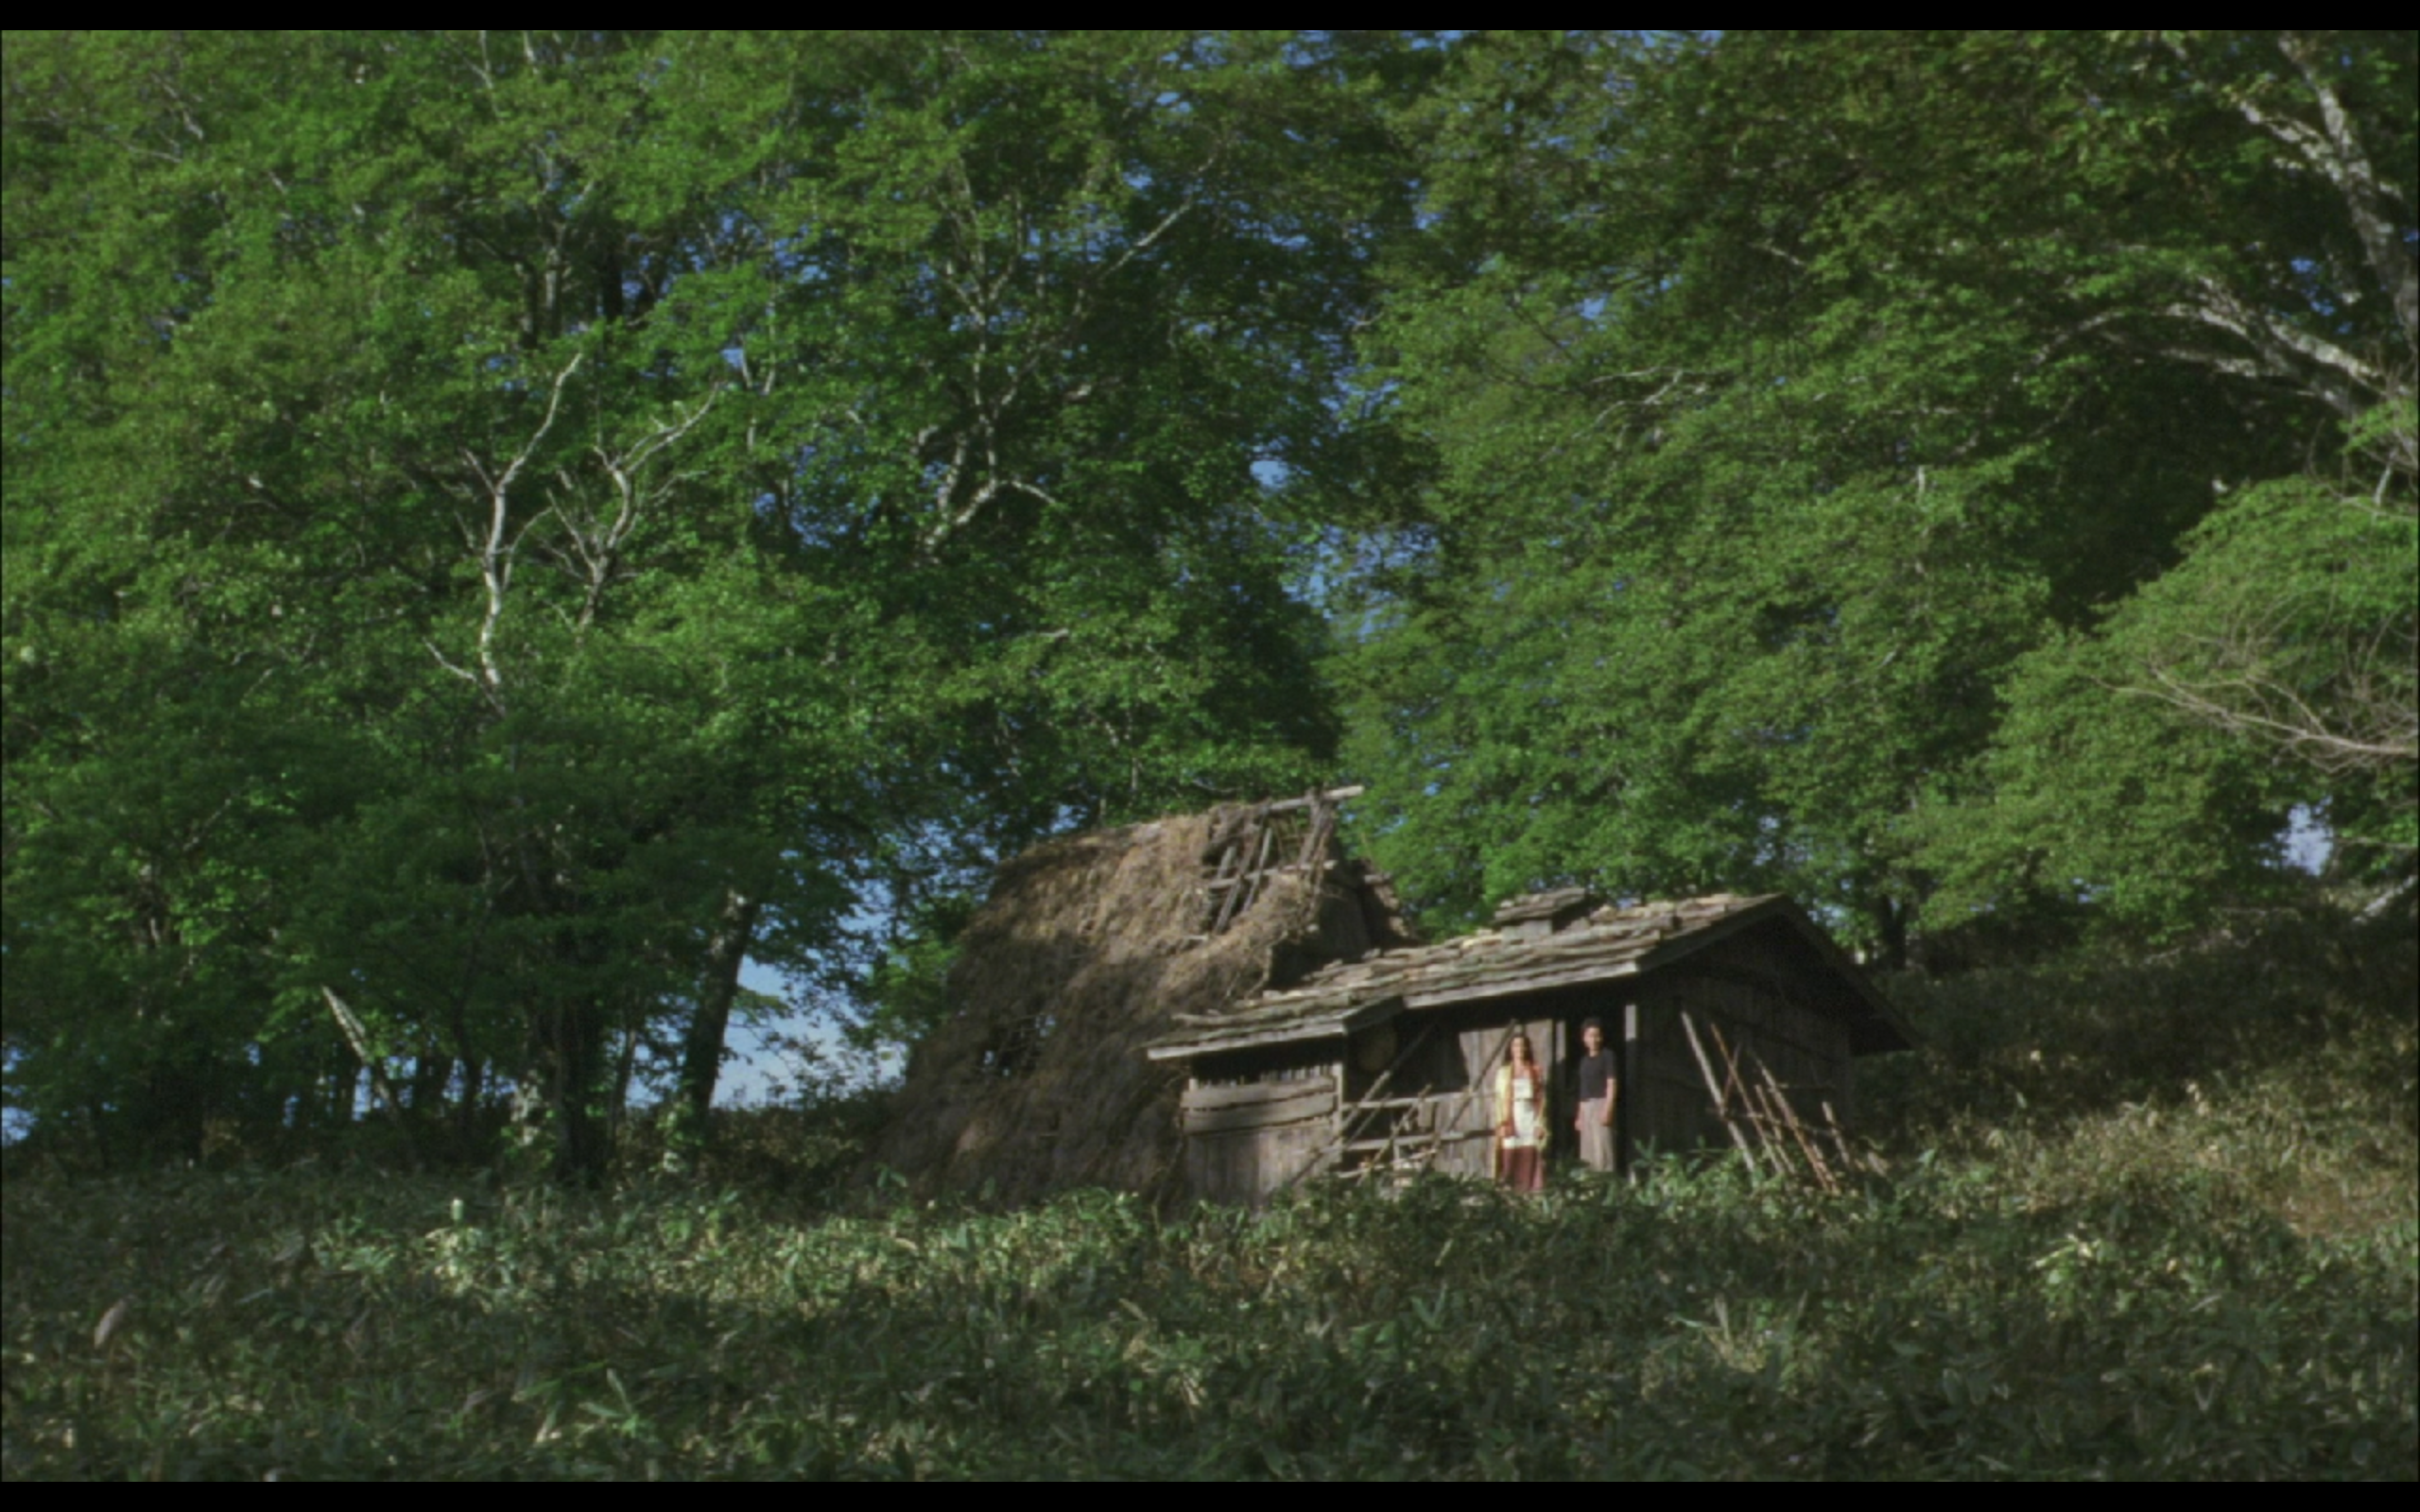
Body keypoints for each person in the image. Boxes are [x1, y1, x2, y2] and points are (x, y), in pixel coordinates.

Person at [1494, 1032, 1548, 1193]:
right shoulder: (1503, 1073)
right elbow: (1498, 1101)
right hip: (1511, 1116)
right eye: (1516, 1045)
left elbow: (1542, 1099)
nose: (1520, 1049)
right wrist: (1502, 1123)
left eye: (1523, 1045)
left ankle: (1530, 1193)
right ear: (1510, 1049)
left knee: (1529, 1154)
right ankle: (1510, 1194)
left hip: (1529, 1114)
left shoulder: (1535, 1070)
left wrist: (1540, 1123)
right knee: (1510, 1156)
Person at [1572, 1017, 1618, 1174]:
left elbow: (1611, 1083)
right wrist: (1579, 1115)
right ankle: (1589, 1189)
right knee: (1587, 1151)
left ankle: (1606, 1185)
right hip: (1586, 1107)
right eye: (1590, 1035)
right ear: (1584, 1038)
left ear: (1601, 1037)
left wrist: (1608, 1109)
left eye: (1597, 1035)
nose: (1594, 1039)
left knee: (1603, 1149)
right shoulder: (1583, 1061)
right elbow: (1582, 1089)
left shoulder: (1607, 1056)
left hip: (1601, 1103)